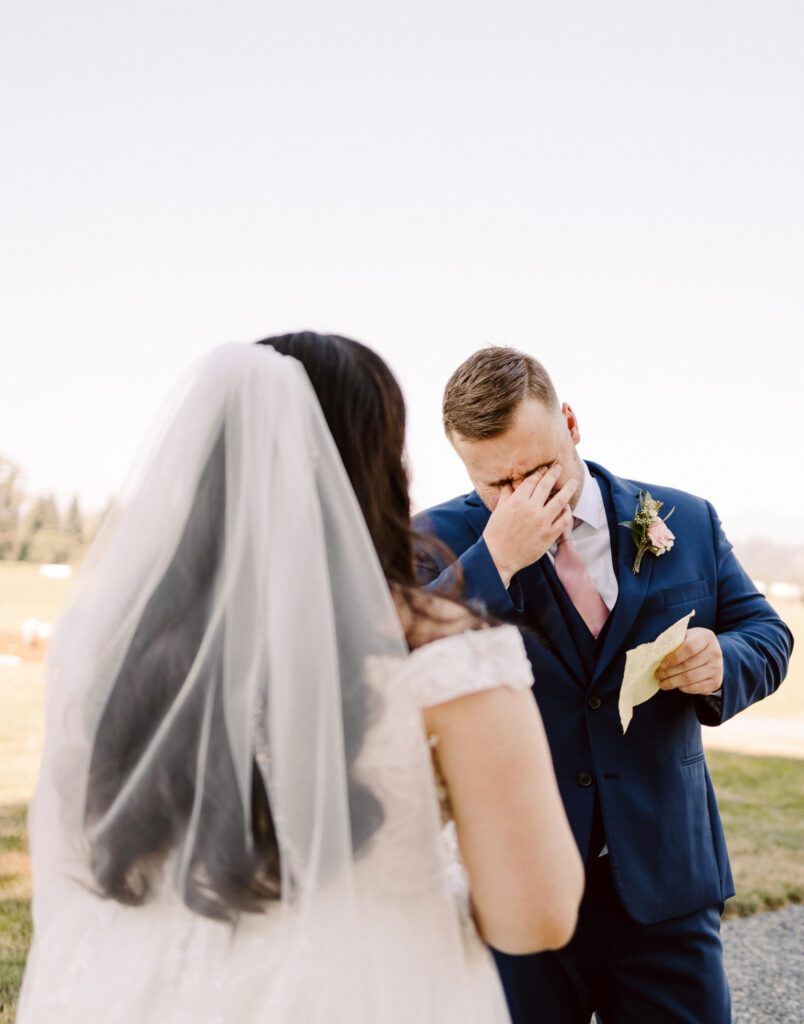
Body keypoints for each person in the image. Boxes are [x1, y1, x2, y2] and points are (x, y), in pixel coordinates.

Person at [17, 338, 583, 1024]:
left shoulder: (107, 644)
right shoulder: (449, 653)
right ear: (377, 471)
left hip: (141, 992)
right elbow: (536, 918)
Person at [415, 346, 793, 1024]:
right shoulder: (434, 542)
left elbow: (767, 635)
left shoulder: (687, 518)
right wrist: (497, 557)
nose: (524, 493)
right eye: (498, 484)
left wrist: (721, 660)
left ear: (570, 422)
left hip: (666, 882)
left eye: (538, 468)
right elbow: (397, 668)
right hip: (514, 886)